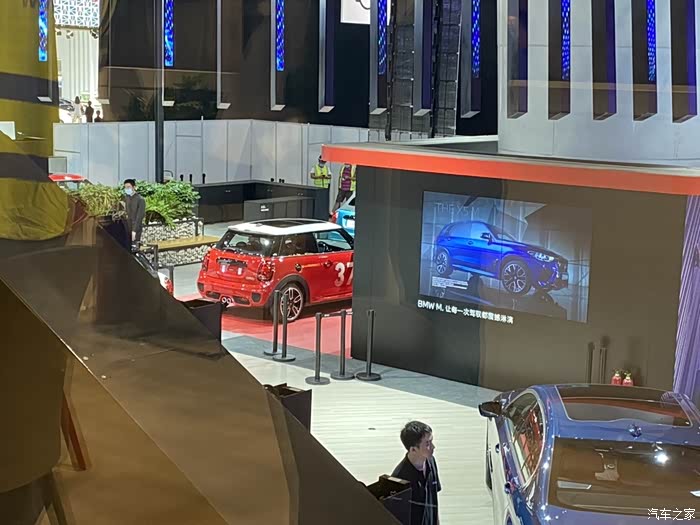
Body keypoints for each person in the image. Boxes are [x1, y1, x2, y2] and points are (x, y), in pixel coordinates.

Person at [392, 421, 441, 525]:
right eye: (427, 444)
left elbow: (434, 500)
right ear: (413, 449)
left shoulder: (431, 462)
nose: (433, 447)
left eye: (431, 441)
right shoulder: (399, 478)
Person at [123, 179, 146, 249]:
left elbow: (140, 216)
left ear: (134, 187)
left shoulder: (140, 199)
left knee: (134, 247)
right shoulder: (126, 198)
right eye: (125, 187)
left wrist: (134, 231)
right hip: (127, 226)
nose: (127, 189)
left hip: (136, 227)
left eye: (128, 187)